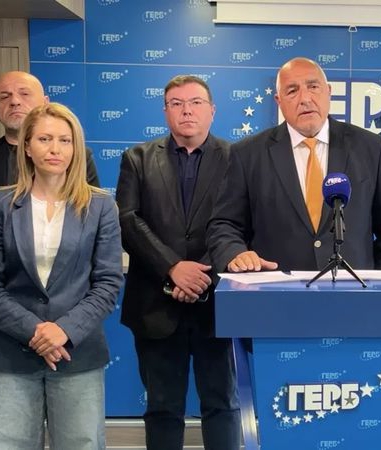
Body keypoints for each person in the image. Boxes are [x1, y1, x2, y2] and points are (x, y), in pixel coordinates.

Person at [0, 102, 122, 449]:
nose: (55, 149)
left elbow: (108, 282)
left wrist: (63, 331)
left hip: (77, 353)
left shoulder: (100, 206)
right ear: (27, 146)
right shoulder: (0, 204)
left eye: (65, 140)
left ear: (76, 148)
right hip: (11, 353)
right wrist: (35, 331)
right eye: (44, 139)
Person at [116, 75, 240, 450]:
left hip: (217, 305)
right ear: (165, 111)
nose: (187, 111)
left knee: (222, 404)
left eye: (196, 102)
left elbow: (243, 223)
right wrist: (173, 268)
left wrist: (200, 275)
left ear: (212, 110)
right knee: (162, 408)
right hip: (155, 305)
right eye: (177, 103)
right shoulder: (137, 158)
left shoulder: (237, 159)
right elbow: (128, 220)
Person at [207, 57, 381, 275]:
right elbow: (224, 224)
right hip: (276, 291)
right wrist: (236, 253)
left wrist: (379, 287)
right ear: (278, 100)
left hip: (353, 291)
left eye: (313, 87)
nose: (305, 99)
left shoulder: (371, 148)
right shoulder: (248, 154)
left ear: (328, 91)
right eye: (292, 91)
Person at [0, 71, 99, 352]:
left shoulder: (77, 158)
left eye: (24, 94)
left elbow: (90, 223)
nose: (14, 101)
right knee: (2, 379)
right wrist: (7, 259)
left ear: (45, 102)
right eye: (5, 97)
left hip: (67, 307)